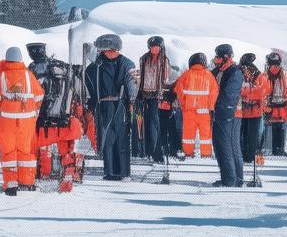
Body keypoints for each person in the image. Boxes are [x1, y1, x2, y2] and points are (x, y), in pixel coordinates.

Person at [0, 47, 45, 195]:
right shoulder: (28, 76)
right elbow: (39, 95)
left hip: (6, 122)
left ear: (6, 59)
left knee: (8, 153)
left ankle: (11, 185)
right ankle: (27, 183)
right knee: (26, 152)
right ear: (21, 59)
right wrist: (35, 112)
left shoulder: (0, 76)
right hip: (26, 123)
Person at [30, 44, 84, 192]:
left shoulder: (33, 69)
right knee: (66, 149)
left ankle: (43, 176)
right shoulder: (64, 67)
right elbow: (78, 89)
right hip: (63, 118)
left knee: (42, 149)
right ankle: (68, 177)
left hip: (42, 120)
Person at [83, 33, 138, 180]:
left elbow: (133, 85)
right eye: (102, 51)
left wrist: (132, 101)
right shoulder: (96, 66)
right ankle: (110, 172)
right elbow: (89, 79)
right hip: (103, 105)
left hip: (121, 104)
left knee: (121, 138)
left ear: (114, 49)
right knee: (107, 138)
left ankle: (123, 172)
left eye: (105, 50)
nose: (103, 53)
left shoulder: (128, 64)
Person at [211, 44, 244, 187]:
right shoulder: (218, 71)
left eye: (218, 57)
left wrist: (219, 106)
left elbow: (229, 95)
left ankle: (230, 180)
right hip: (220, 113)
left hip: (230, 113)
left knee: (227, 146)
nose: (215, 60)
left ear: (226, 57)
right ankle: (233, 178)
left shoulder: (234, 72)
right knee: (220, 146)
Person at [173, 53, 218, 159]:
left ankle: (188, 153)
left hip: (189, 111)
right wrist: (211, 107)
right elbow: (214, 92)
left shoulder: (185, 75)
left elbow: (178, 90)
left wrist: (184, 104)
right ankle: (206, 155)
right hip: (205, 112)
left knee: (188, 135)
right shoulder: (209, 76)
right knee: (205, 136)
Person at [137, 35, 171, 164]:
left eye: (156, 47)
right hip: (145, 94)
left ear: (161, 47)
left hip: (157, 96)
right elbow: (140, 76)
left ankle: (157, 152)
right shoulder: (144, 59)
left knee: (155, 124)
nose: (154, 49)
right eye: (152, 47)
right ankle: (147, 150)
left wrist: (162, 92)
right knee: (145, 123)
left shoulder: (164, 60)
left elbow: (165, 78)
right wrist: (139, 92)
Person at [263, 52, 287, 156]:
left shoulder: (264, 75)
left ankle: (269, 150)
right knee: (281, 130)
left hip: (269, 110)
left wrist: (265, 109)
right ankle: (280, 150)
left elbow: (261, 94)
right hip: (283, 110)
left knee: (269, 130)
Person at [238, 53, 268, 164]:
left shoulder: (238, 73)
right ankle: (251, 157)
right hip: (254, 111)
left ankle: (244, 157)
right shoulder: (259, 75)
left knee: (243, 136)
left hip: (244, 111)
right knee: (253, 136)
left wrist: (244, 95)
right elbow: (262, 93)